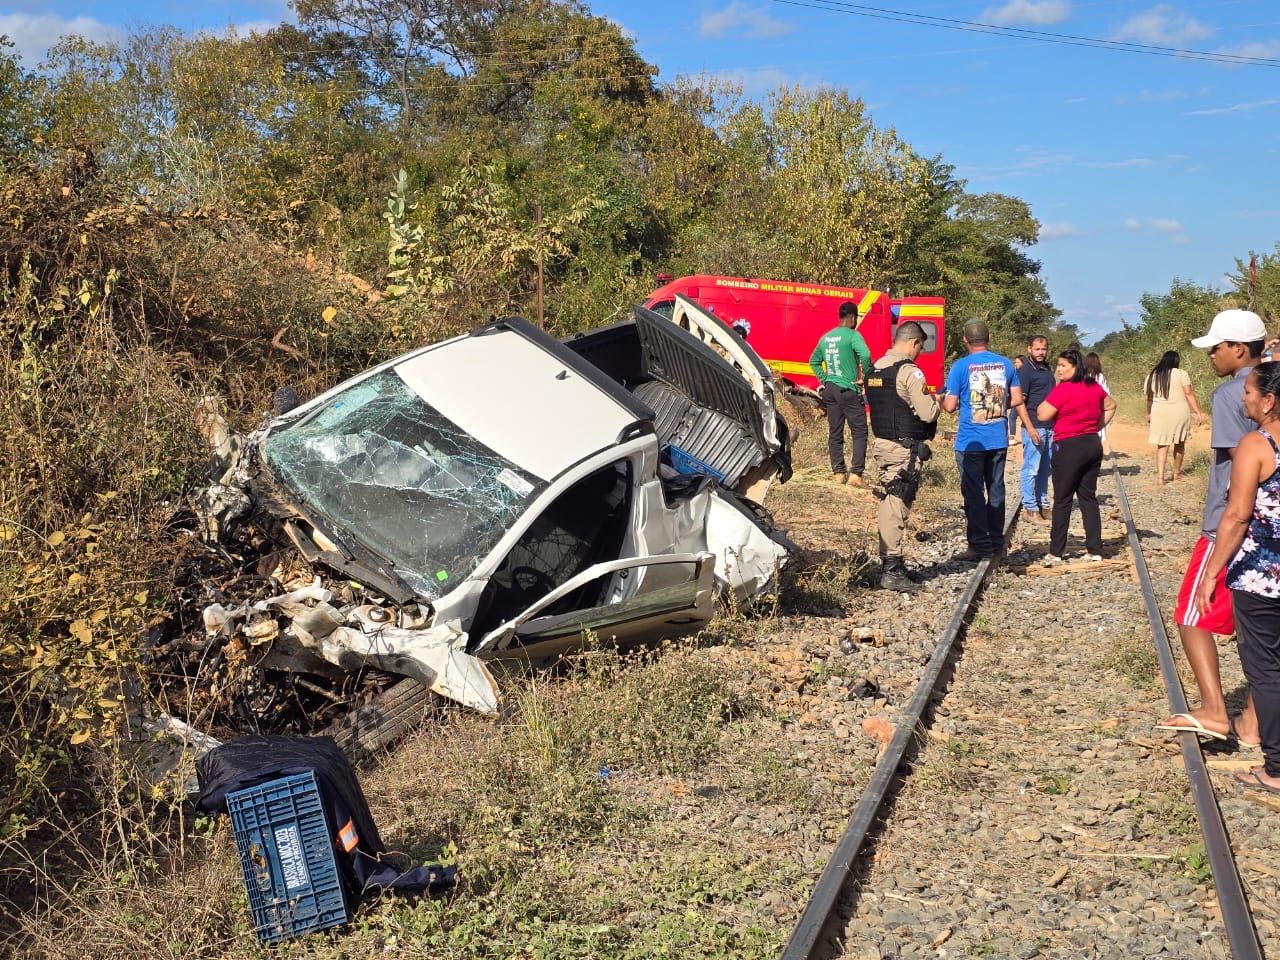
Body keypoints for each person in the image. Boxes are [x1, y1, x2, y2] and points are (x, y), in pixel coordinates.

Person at [1156, 308, 1264, 744]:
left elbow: (1242, 462)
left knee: (1192, 613)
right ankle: (1253, 724)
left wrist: (1229, 523)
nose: (1211, 356)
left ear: (1239, 349)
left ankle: (1215, 711)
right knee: (1262, 627)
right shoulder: (1273, 386)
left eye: (1216, 348)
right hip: (1270, 522)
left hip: (1231, 521)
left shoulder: (1231, 393)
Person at [1193, 362, 1280, 791]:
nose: (1243, 397)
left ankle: (1276, 768)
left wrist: (1212, 573)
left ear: (1268, 401)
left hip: (1261, 578)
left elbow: (1237, 515)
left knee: (1265, 669)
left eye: (1249, 392)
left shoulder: (1256, 445)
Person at [940, 321, 1027, 561]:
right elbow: (1017, 399)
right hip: (998, 439)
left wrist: (939, 399)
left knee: (974, 493)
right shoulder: (1006, 364)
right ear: (988, 338)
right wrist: (995, 406)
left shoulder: (960, 367)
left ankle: (979, 545)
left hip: (970, 442)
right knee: (996, 489)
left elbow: (950, 406)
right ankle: (997, 542)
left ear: (965, 340)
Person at [865, 321, 941, 592]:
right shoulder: (909, 371)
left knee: (891, 499)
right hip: (903, 448)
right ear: (914, 342)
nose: (919, 353)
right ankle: (892, 569)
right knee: (897, 502)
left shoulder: (875, 368)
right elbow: (928, 413)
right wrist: (936, 401)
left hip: (883, 444)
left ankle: (892, 564)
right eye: (920, 348)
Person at [1035, 348, 1116, 564]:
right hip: (1091, 444)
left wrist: (1055, 389)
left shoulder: (1063, 389)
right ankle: (1095, 549)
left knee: (1062, 499)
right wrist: (1095, 427)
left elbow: (1042, 414)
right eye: (1058, 365)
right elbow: (1111, 405)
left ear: (1075, 367)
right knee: (1088, 497)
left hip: (1068, 446)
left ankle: (1056, 551)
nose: (1059, 369)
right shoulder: (1093, 386)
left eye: (1063, 365)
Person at [810, 301, 872, 487]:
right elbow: (866, 355)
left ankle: (839, 473)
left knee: (835, 432)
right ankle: (856, 475)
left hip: (830, 391)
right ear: (852, 317)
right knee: (859, 431)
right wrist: (865, 377)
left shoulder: (826, 338)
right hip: (848, 389)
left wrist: (825, 380)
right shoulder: (853, 335)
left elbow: (813, 361)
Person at [1144, 350, 1204, 483]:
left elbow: (1149, 398)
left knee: (1162, 445)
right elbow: (1188, 393)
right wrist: (1198, 412)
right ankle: (1176, 473)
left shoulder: (1152, 375)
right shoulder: (1181, 374)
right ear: (1176, 361)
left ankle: (1160, 477)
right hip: (1179, 412)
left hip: (1159, 412)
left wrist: (1149, 413)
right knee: (1179, 442)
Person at [1017, 335, 1055, 524]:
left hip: (1049, 427)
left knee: (1045, 469)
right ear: (1029, 349)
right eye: (1037, 349)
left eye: (1044, 349)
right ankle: (1030, 509)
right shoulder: (1025, 371)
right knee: (1031, 469)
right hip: (1034, 427)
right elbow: (1019, 402)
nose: (1041, 352)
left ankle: (1043, 503)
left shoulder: (1047, 368)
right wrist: (1030, 428)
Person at [1084, 352, 1112, 455]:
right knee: (1097, 431)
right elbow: (1106, 393)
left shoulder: (1083, 376)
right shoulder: (1100, 376)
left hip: (1085, 407)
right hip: (1097, 407)